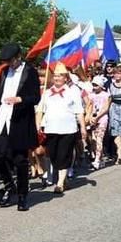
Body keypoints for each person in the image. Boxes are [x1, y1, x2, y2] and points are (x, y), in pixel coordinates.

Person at [0, 43, 41, 212]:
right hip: (2, 118)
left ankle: (22, 195)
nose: (9, 64)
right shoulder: (4, 72)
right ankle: (10, 186)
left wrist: (20, 99)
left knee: (20, 160)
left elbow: (35, 97)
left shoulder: (30, 72)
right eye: (7, 61)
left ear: (19, 57)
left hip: (19, 120)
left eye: (11, 60)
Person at [38, 64, 86, 194]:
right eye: (55, 75)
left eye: (60, 76)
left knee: (64, 155)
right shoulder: (47, 93)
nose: (57, 78)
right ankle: (64, 180)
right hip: (50, 128)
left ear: (66, 78)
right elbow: (40, 110)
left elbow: (79, 111)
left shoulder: (73, 92)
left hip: (68, 129)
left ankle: (59, 184)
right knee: (52, 155)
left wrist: (82, 127)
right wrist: (38, 126)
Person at [86, 76, 110, 169]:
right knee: (93, 139)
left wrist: (98, 117)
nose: (94, 87)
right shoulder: (91, 95)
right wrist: (89, 116)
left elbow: (106, 108)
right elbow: (89, 106)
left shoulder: (106, 95)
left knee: (99, 139)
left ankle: (97, 160)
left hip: (102, 118)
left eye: (96, 85)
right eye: (93, 85)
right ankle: (100, 157)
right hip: (93, 119)